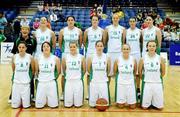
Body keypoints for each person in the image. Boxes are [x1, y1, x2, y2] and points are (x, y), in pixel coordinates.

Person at [9, 25, 37, 103]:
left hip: (29, 62)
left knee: (31, 78)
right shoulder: (17, 40)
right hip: (19, 62)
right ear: (21, 30)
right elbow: (14, 52)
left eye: (26, 29)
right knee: (15, 79)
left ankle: (31, 95)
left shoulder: (32, 40)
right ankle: (12, 96)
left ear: (28, 31)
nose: (24, 30)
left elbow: (35, 51)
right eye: (23, 29)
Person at [58, 16, 83, 101]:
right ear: (67, 21)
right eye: (69, 20)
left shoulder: (79, 31)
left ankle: (78, 92)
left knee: (77, 72)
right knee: (64, 74)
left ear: (74, 21)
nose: (70, 21)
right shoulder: (62, 31)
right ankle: (63, 92)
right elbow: (60, 43)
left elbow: (80, 42)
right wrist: (65, 51)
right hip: (66, 54)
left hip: (76, 54)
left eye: (72, 20)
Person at [139, 40, 165, 110]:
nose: (152, 47)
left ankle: (154, 102)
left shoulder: (160, 58)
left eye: (153, 46)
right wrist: (146, 79)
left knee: (160, 108)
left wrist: (156, 78)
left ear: (156, 47)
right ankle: (149, 101)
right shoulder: (143, 59)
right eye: (150, 46)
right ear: (147, 47)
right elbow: (140, 72)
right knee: (144, 107)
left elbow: (163, 72)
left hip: (157, 83)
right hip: (147, 83)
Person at [84, 15, 104, 100]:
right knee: (89, 74)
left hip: (99, 53)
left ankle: (100, 93)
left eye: (96, 20)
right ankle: (89, 93)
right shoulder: (87, 31)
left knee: (99, 72)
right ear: (91, 21)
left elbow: (104, 42)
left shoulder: (102, 31)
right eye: (93, 20)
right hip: (90, 53)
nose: (95, 21)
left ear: (98, 21)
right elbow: (84, 42)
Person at [35, 41, 60, 108]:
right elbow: (36, 71)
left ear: (50, 48)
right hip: (41, 83)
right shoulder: (38, 58)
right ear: (42, 48)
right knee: (38, 106)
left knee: (54, 106)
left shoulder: (55, 58)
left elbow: (58, 71)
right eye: (44, 46)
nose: (46, 48)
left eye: (47, 46)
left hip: (51, 83)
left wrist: (53, 78)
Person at [11, 41, 35, 108]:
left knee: (26, 106)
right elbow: (13, 69)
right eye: (19, 47)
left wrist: (28, 78)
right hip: (16, 83)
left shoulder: (30, 57)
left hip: (25, 84)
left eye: (23, 47)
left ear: (26, 48)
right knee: (14, 106)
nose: (21, 49)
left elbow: (33, 70)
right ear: (17, 48)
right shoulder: (14, 57)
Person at [62, 41, 86, 107]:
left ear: (77, 47)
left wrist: (79, 76)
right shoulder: (65, 58)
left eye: (74, 47)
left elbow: (84, 70)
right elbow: (64, 70)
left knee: (78, 105)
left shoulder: (82, 57)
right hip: (69, 82)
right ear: (69, 48)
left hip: (78, 81)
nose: (72, 48)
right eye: (71, 47)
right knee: (68, 105)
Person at [87, 40, 111, 107]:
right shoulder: (91, 57)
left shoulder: (107, 57)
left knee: (105, 104)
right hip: (94, 82)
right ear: (95, 47)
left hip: (103, 82)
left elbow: (108, 70)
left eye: (101, 46)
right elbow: (88, 70)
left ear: (103, 47)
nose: (99, 47)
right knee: (92, 105)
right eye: (98, 46)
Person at [114, 44, 137, 109]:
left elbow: (135, 71)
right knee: (120, 106)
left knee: (133, 107)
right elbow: (115, 71)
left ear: (130, 50)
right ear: (121, 50)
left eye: (127, 49)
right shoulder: (117, 60)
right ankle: (122, 100)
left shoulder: (133, 59)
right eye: (124, 49)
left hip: (130, 83)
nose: (126, 50)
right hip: (121, 83)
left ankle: (128, 100)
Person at [103, 13, 126, 80]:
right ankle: (108, 90)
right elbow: (105, 40)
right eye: (114, 18)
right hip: (110, 52)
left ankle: (117, 89)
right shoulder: (107, 28)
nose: (115, 19)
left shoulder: (122, 29)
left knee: (118, 72)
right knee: (108, 73)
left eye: (117, 18)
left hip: (119, 52)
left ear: (119, 19)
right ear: (112, 19)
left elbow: (123, 41)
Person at [126, 17, 142, 100]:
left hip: (137, 54)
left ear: (136, 22)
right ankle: (130, 89)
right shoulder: (126, 31)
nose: (132, 22)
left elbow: (142, 42)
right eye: (131, 21)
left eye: (133, 21)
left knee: (137, 73)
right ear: (129, 22)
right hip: (128, 55)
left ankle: (138, 89)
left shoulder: (139, 31)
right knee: (129, 72)